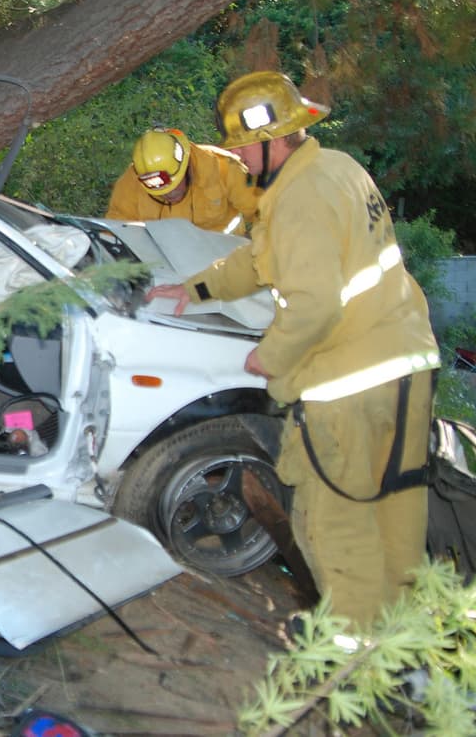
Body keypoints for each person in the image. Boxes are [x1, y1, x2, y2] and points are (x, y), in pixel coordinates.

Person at [146, 71, 438, 630]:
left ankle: (353, 651)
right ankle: (406, 645)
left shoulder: (299, 198)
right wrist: (195, 290)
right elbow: (262, 259)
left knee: (332, 522)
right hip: (408, 368)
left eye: (243, 146)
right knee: (396, 511)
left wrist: (271, 356)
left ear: (271, 139)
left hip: (350, 384)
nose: (238, 157)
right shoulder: (338, 169)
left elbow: (315, 304)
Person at [107, 126, 260, 234]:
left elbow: (263, 213)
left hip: (225, 258)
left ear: (186, 166)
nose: (168, 194)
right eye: (159, 191)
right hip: (167, 263)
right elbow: (116, 231)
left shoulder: (224, 167)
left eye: (174, 185)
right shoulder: (130, 184)